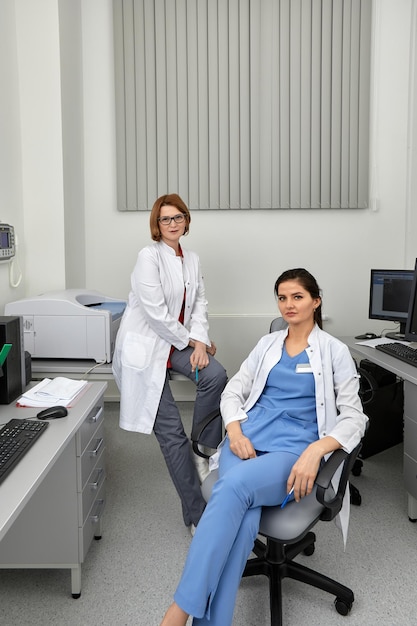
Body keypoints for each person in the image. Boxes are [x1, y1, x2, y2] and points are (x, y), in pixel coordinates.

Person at [160, 268, 368, 626]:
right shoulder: (267, 344)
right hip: (246, 443)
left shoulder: (334, 352)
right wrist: (235, 431)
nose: (288, 305)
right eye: (282, 297)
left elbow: (354, 417)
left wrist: (316, 451)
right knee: (242, 522)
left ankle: (179, 611)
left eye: (298, 297)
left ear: (315, 302)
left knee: (235, 489)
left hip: (293, 453)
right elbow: (233, 391)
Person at [112, 193, 227, 533]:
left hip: (176, 342)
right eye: (166, 219)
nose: (173, 224)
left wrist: (201, 340)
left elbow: (200, 304)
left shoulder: (191, 259)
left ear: (187, 221)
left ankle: (203, 448)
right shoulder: (147, 257)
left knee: (216, 375)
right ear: (156, 225)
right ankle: (196, 514)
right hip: (146, 348)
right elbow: (157, 314)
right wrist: (194, 341)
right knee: (171, 435)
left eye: (178, 217)